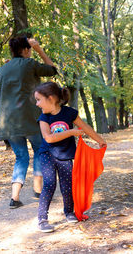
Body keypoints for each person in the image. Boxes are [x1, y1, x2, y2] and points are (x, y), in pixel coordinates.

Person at [34, 81, 107, 232]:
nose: (37, 104)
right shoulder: (43, 118)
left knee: (67, 186)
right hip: (47, 154)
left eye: (39, 99)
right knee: (49, 184)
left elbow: (85, 127)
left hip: (66, 154)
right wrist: (72, 132)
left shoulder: (69, 113)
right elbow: (49, 138)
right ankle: (42, 219)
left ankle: (69, 212)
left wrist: (100, 140)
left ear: (51, 98)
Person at [0, 36, 58, 209]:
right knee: (40, 150)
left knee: (21, 157)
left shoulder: (2, 69)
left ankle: (14, 198)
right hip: (31, 118)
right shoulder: (30, 64)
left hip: (9, 122)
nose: (30, 51)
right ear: (25, 50)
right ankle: (38, 190)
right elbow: (53, 70)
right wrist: (39, 49)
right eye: (29, 49)